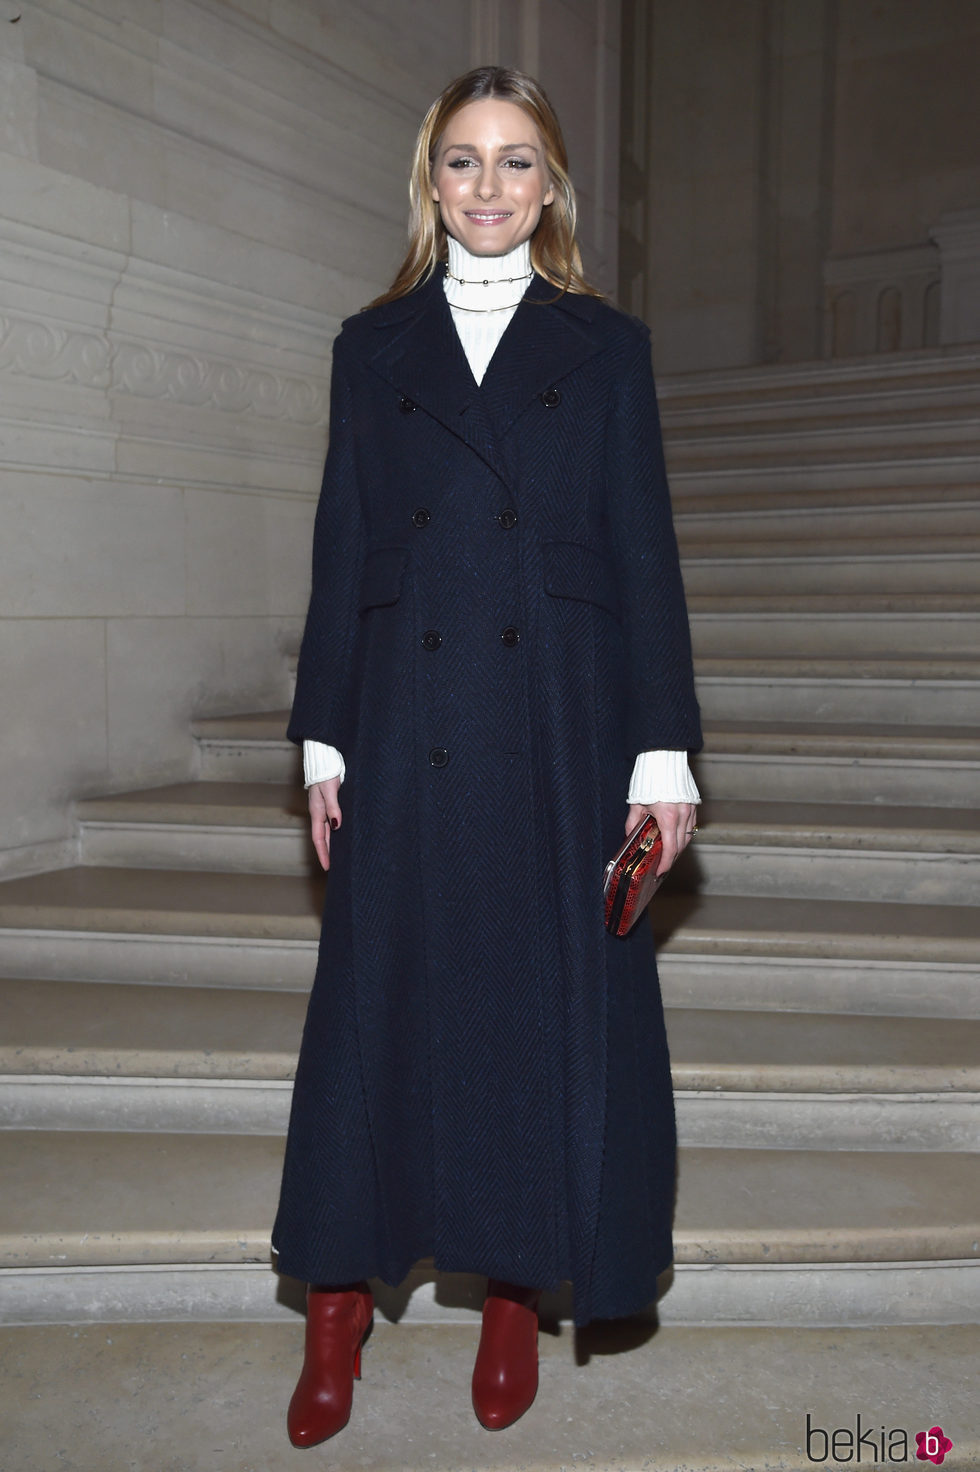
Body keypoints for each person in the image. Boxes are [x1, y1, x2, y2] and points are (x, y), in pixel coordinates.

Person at [272, 64, 702, 1447]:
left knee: (534, 1007)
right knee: (376, 1008)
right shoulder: (371, 343)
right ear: (431, 181)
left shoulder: (607, 347)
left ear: (552, 186)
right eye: (464, 161)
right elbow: (344, 546)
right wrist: (325, 732)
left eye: (518, 161)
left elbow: (645, 559)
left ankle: (516, 1290)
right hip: (406, 712)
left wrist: (664, 757)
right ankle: (336, 1301)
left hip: (559, 721)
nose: (490, 186)